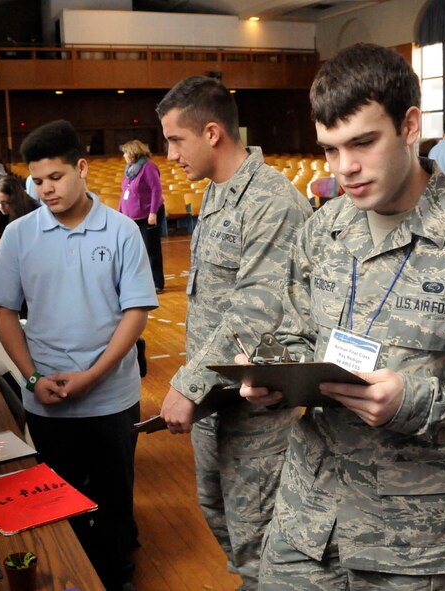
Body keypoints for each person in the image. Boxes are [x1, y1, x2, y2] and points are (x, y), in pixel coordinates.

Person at [240, 43, 445, 590]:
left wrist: (413, 401)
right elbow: (294, 334)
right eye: (329, 150)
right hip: (306, 523)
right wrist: (271, 374)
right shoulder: (322, 228)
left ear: (408, 126)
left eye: (362, 142)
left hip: (411, 543)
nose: (344, 168)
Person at [0, 119, 158, 591]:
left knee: (114, 498)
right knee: (61, 499)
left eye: (56, 177)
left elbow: (136, 312)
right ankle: (75, 576)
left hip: (111, 398)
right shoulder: (19, 235)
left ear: (81, 168)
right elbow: (4, 314)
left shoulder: (122, 231)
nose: (46, 189)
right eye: (37, 180)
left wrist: (95, 376)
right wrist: (31, 377)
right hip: (47, 398)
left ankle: (117, 575)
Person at [156, 75, 313, 589]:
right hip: (214, 402)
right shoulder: (220, 194)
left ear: (212, 132)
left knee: (261, 537)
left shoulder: (270, 200)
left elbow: (256, 308)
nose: (171, 153)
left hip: (254, 409)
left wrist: (187, 382)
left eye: (177, 140)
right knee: (220, 513)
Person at [119, 139, 165, 292]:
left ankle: (157, 283)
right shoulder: (130, 169)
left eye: (125, 152)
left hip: (147, 216)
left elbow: (156, 190)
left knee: (151, 250)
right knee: (135, 251)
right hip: (131, 217)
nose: (124, 156)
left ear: (133, 153)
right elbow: (124, 193)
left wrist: (153, 212)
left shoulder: (148, 167)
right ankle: (141, 282)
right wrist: (120, 212)